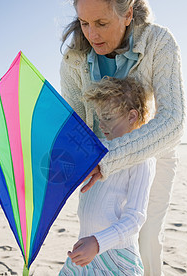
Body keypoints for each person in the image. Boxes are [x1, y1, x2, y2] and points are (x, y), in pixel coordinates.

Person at [60, 0, 185, 275]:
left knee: (146, 238)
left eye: (101, 23)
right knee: (97, 233)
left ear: (127, 13)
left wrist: (109, 159)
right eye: (84, 23)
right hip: (99, 154)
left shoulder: (159, 41)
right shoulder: (73, 58)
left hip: (152, 148)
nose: (91, 34)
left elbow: (174, 122)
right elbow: (76, 125)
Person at [59, 76, 156, 275]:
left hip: (116, 256)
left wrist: (97, 243)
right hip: (86, 247)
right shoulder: (100, 149)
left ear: (132, 116)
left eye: (108, 118)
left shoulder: (142, 158)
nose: (101, 125)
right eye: (99, 118)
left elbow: (134, 219)